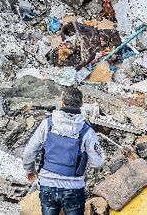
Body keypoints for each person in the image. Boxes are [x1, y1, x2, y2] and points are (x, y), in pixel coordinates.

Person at [23, 86, 105, 215]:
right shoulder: (87, 131)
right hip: (74, 188)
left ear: (61, 102)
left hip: (47, 185)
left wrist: (30, 170)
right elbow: (98, 163)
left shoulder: (47, 124)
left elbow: (29, 152)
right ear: (81, 105)